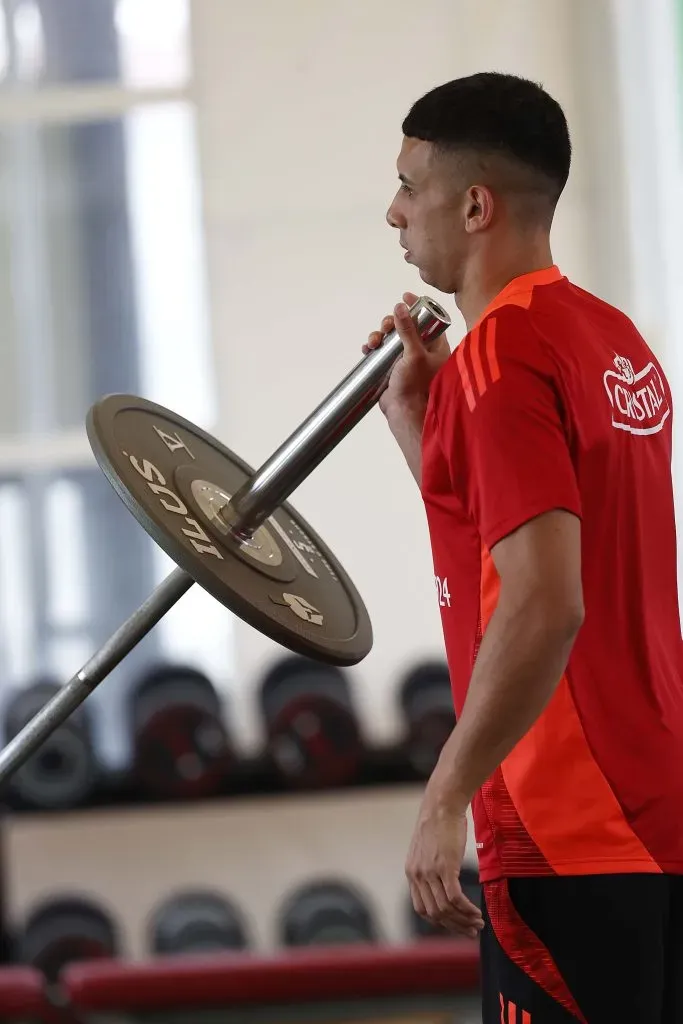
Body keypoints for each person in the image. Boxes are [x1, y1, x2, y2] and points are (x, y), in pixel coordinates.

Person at [365, 72, 683, 1023]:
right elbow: (516, 549)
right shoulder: (607, 338)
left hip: (564, 829)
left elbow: (547, 601)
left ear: (472, 204)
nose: (393, 213)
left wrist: (443, 795)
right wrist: (421, 420)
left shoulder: (499, 357)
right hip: (654, 816)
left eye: (409, 186)